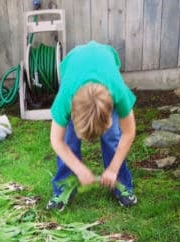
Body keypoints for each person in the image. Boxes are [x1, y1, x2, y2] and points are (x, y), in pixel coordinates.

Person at [47, 40, 137, 211]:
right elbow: (56, 141)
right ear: (72, 113)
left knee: (113, 138)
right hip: (73, 63)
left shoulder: (118, 91)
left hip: (106, 59)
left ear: (111, 112)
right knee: (68, 140)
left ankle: (121, 184)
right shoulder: (65, 98)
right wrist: (79, 168)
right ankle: (63, 188)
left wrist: (112, 168)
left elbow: (129, 132)